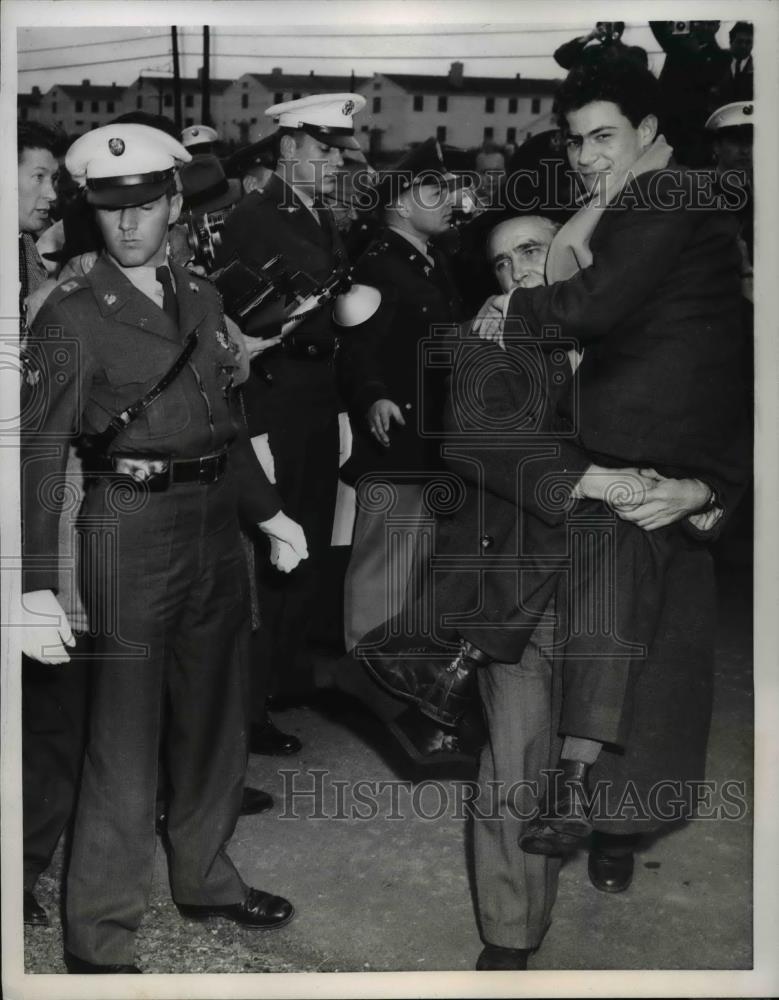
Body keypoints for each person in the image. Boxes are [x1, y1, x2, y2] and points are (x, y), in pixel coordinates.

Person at [358, 57, 751, 968]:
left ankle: (614, 831)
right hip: (522, 586)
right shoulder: (490, 339)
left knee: (637, 749)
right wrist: (587, 483)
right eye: (502, 264)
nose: (522, 272)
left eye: (539, 251)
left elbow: (735, 425)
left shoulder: (673, 326)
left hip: (640, 582)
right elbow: (476, 447)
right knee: (511, 768)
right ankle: (508, 936)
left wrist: (702, 493)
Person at [20, 123, 308, 973]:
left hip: (216, 523)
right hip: (129, 528)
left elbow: (225, 422)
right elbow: (40, 452)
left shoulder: (203, 296)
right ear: (93, 214)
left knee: (217, 718)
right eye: (113, 211)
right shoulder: (72, 316)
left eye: (146, 206)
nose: (130, 225)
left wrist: (271, 513)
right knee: (122, 735)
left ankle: (205, 877)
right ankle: (100, 935)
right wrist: (35, 583)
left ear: (175, 204)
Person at [214, 93, 366, 728]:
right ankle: (255, 703)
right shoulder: (255, 213)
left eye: (340, 151)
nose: (336, 161)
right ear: (289, 148)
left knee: (305, 536)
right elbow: (266, 312)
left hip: (313, 396)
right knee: (281, 543)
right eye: (325, 150)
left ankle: (281, 678)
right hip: (277, 396)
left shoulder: (317, 214)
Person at [338, 138, 466, 654]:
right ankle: (366, 674)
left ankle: (396, 677)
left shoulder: (429, 260)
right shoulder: (378, 265)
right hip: (398, 441)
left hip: (428, 443)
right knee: (382, 573)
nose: (451, 201)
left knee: (410, 573)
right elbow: (355, 347)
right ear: (402, 200)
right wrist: (373, 396)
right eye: (437, 190)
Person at [17, 119, 90, 930]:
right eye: (36, 176)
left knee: (52, 699)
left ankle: (25, 859)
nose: (49, 194)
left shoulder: (34, 270)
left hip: (40, 512)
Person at [649, 20, 731, 166]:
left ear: (717, 27)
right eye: (700, 23)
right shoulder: (676, 46)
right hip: (671, 124)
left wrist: (696, 51)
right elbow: (657, 25)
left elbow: (711, 81)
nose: (704, 27)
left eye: (710, 24)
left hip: (698, 129)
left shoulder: (722, 56)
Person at [553, 21, 647, 71]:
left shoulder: (635, 53)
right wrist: (588, 37)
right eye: (601, 26)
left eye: (609, 25)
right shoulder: (591, 53)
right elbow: (561, 57)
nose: (605, 29)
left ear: (620, 29)